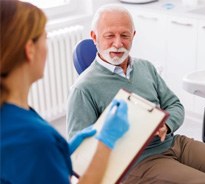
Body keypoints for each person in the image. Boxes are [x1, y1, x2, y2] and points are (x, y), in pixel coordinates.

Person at [66, 4, 205, 184]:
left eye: (125, 35)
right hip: (140, 163)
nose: (118, 43)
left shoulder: (145, 68)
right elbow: (81, 155)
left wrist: (167, 125)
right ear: (94, 37)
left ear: (134, 36)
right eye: (109, 35)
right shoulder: (84, 88)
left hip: (175, 143)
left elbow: (175, 105)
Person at [0, 1, 129, 184]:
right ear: (30, 49)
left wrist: (60, 151)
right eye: (45, 38)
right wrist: (106, 142)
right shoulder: (34, 138)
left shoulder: (13, 114)